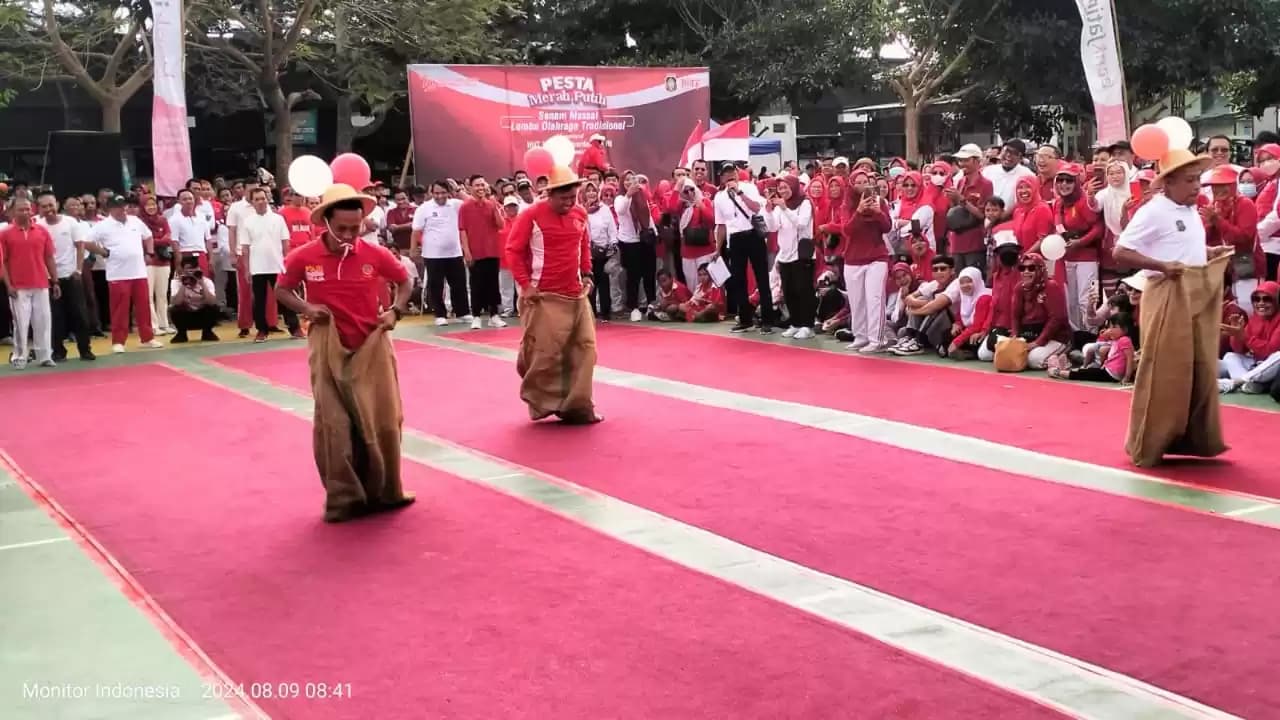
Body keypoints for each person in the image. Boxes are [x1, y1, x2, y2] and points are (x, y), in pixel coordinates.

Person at [275, 183, 415, 523]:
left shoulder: (375, 253)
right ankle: (344, 497)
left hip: (372, 343)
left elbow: (405, 280)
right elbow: (282, 289)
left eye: (355, 228)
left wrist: (395, 311)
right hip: (328, 343)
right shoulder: (304, 257)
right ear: (325, 222)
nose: (349, 235)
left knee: (383, 417)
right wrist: (307, 307)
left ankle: (386, 491)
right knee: (334, 422)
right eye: (342, 229)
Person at [1114, 148, 1235, 467]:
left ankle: (1194, 439)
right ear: (1167, 183)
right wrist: (1160, 265)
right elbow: (1121, 252)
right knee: (1164, 369)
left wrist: (1210, 252)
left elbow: (1184, 246)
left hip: (1196, 288)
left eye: (1198, 180)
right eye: (1190, 180)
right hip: (1167, 289)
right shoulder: (1154, 211)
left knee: (1199, 366)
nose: (1197, 187)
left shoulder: (1191, 210)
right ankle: (1147, 443)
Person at [504, 166, 602, 425]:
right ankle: (546, 403)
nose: (569, 203)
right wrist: (526, 286)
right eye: (564, 199)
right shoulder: (531, 215)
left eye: (573, 197)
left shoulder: (580, 214)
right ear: (550, 195)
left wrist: (588, 273)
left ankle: (579, 406)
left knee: (585, 350)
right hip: (543, 296)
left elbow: (584, 246)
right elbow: (513, 251)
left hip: (576, 294)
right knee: (544, 354)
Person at [83, 195, 165, 353]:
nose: (123, 209)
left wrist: (149, 252)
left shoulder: (135, 221)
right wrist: (103, 252)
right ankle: (119, 341)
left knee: (143, 306)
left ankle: (147, 338)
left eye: (124, 206)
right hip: (118, 274)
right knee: (120, 308)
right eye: (119, 207)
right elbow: (87, 242)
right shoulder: (103, 225)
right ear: (110, 209)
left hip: (139, 271)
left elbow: (148, 236)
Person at [713, 164, 774, 333]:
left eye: (732, 172)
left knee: (762, 276)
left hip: (753, 234)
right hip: (735, 238)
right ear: (722, 178)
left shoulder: (749, 187)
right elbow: (721, 225)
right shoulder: (719, 197)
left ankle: (767, 319)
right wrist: (718, 248)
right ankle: (746, 319)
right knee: (738, 280)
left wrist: (739, 193)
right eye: (726, 174)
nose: (730, 176)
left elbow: (756, 208)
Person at [0, 198, 59, 368]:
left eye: (28, 209)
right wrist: (9, 285)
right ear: (11, 211)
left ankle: (45, 355)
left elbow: (49, 257)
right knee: (21, 323)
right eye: (21, 210)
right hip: (18, 286)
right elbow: (3, 262)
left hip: (41, 283)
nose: (25, 212)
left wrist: (55, 281)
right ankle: (19, 357)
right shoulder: (5, 234)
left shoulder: (41, 231)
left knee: (43, 321)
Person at [36, 192, 94, 361]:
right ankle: (58, 350)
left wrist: (78, 270)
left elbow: (80, 246)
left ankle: (85, 349)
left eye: (51, 205)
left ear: (57, 204)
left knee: (80, 314)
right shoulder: (38, 226)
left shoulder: (70, 223)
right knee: (54, 316)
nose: (48, 209)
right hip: (49, 279)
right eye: (44, 206)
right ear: (39, 208)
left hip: (71, 276)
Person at [237, 187, 300, 342]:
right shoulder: (248, 222)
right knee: (259, 300)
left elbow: (285, 242)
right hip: (257, 267)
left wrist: (287, 263)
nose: (261, 202)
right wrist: (247, 269)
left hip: (277, 265)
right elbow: (245, 247)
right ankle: (262, 330)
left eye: (263, 198)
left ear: (267, 199)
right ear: (252, 202)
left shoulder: (278, 219)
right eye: (257, 199)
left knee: (284, 297)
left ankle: (294, 328)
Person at [411, 180, 471, 327]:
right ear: (431, 193)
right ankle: (440, 314)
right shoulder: (424, 208)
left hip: (455, 252)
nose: (440, 196)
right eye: (436, 193)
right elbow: (416, 230)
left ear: (448, 192)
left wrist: (457, 189)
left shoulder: (456, 205)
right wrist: (413, 249)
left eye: (443, 192)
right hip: (432, 254)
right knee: (435, 285)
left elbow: (471, 202)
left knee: (459, 284)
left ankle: (462, 312)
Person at [1218, 282, 1280, 393]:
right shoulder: (1254, 319)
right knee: (1230, 356)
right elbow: (1239, 350)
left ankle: (1236, 382)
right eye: (1257, 299)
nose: (1261, 303)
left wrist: (1245, 337)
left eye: (1267, 299)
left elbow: (1271, 350)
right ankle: (1249, 384)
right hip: (1256, 367)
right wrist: (1236, 336)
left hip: (1272, 368)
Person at [167, 255, 220, 344]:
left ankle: (207, 332)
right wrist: (184, 284)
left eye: (194, 269)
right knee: (174, 309)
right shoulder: (176, 282)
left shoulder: (206, 281)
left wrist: (202, 284)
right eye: (189, 270)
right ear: (183, 270)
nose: (191, 273)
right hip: (186, 316)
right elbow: (176, 302)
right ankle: (181, 334)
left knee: (214, 308)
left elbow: (212, 302)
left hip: (202, 315)